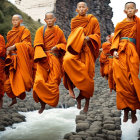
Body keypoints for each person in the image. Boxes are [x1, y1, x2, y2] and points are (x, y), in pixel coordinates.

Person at [63, 2, 101, 112]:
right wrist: (77, 42)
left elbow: (97, 35)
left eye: (83, 7)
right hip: (76, 48)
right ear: (76, 9)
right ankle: (71, 88)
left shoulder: (93, 20)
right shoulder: (74, 21)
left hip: (88, 49)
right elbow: (73, 35)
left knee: (88, 75)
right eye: (79, 7)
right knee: (66, 60)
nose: (81, 9)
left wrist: (89, 38)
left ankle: (85, 102)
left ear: (87, 8)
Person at [110, 2, 140, 123]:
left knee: (132, 81)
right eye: (128, 8)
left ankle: (133, 111)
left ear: (136, 10)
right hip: (120, 52)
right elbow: (116, 38)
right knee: (120, 80)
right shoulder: (120, 24)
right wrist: (115, 50)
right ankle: (125, 112)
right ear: (124, 11)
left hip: (132, 52)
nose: (130, 10)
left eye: (132, 8)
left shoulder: (138, 24)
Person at [33, 12, 66, 114]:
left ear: (55, 20)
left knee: (54, 81)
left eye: (51, 19)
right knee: (38, 81)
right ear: (45, 20)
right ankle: (42, 104)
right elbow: (37, 45)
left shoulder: (58, 31)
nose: (50, 20)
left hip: (54, 58)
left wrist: (58, 46)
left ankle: (50, 102)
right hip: (42, 59)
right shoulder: (40, 31)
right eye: (48, 19)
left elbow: (64, 44)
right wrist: (41, 56)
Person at [4, 14, 34, 106]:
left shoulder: (25, 31)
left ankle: (21, 93)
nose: (14, 22)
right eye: (13, 20)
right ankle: (13, 98)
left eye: (16, 20)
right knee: (7, 85)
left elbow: (27, 45)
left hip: (21, 59)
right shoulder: (10, 33)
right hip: (12, 61)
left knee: (24, 81)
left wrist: (15, 46)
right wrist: (7, 52)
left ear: (20, 21)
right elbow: (8, 46)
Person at [0, 34, 6, 109]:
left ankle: (0, 105)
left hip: (0, 63)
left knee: (0, 82)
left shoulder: (0, 37)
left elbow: (1, 50)